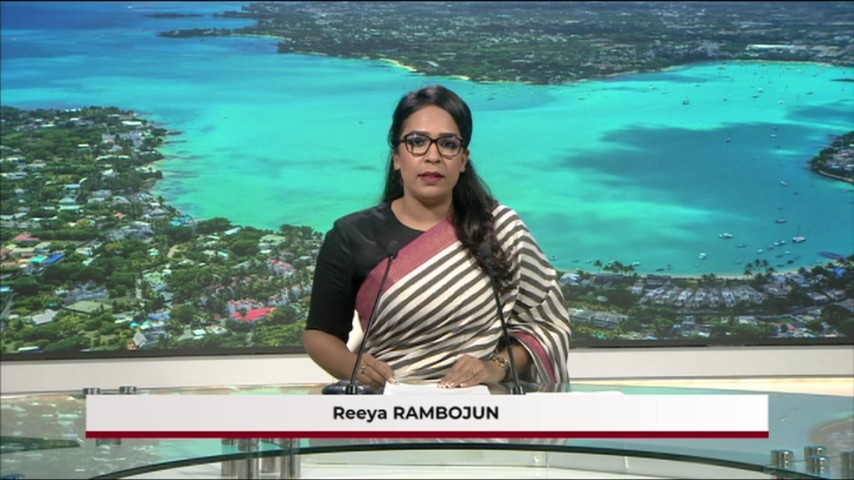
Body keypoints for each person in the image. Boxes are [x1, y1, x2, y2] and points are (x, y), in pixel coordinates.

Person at [304, 84, 571, 390]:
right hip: (387, 405)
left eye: (448, 144)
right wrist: (356, 368)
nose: (433, 156)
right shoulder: (351, 235)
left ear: (463, 159)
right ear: (396, 157)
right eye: (417, 142)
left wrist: (495, 367)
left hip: (483, 407)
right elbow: (320, 334)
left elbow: (546, 326)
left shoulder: (500, 230)